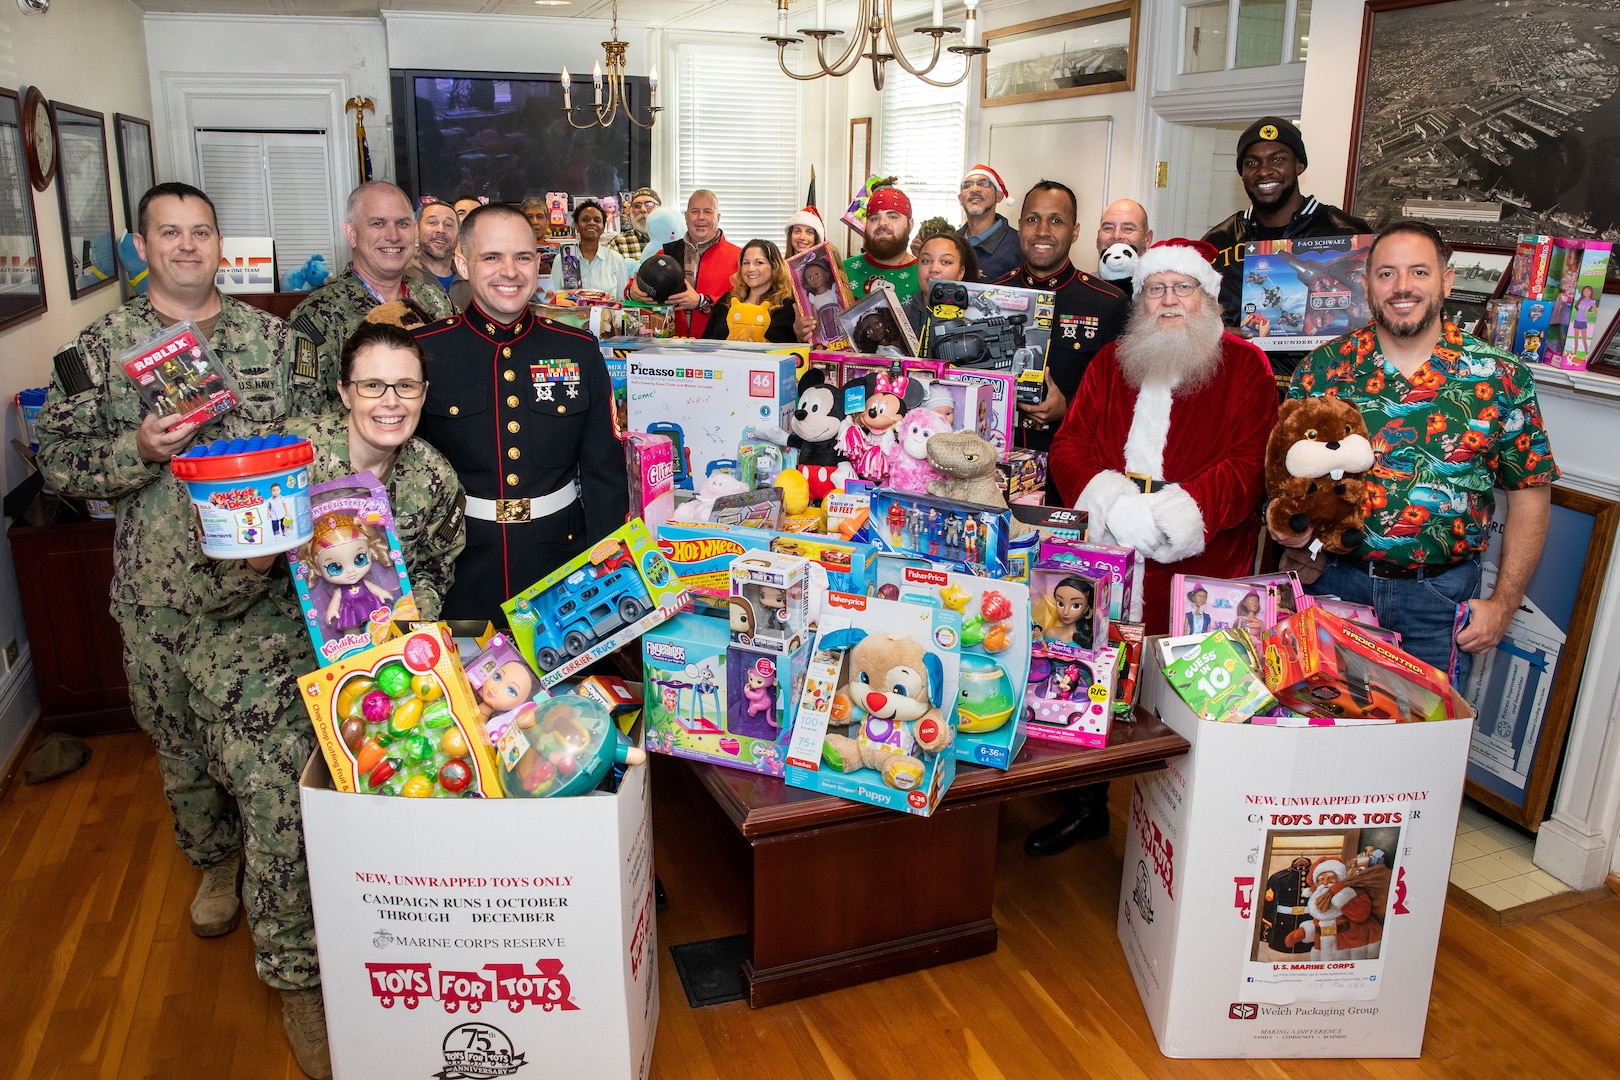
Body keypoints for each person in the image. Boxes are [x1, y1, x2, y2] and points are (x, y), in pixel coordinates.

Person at [33, 181, 329, 1075]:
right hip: (159, 597)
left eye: (202, 232)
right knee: (180, 746)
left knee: (275, 773)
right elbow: (56, 459)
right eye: (171, 233)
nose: (189, 246)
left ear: (219, 245)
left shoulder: (275, 343)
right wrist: (140, 450)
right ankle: (212, 860)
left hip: (261, 602)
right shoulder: (98, 350)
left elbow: (324, 433)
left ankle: (296, 972)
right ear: (142, 244)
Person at [1031, 238, 1277, 856]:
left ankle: (1183, 831)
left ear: (1207, 296)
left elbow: (1251, 465)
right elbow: (1069, 446)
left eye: (1182, 287)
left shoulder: (1246, 366)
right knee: (1095, 676)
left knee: (1187, 694)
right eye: (1156, 289)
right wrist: (1114, 503)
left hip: (1200, 560)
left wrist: (1175, 515)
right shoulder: (1112, 361)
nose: (1169, 300)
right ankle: (1087, 805)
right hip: (1109, 551)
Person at [1279, 219, 1557, 685]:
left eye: (1419, 272)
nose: (1402, 287)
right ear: (1366, 286)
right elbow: (1287, 480)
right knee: (1325, 742)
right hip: (1334, 589)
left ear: (1446, 281)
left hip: (1441, 602)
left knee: (1427, 749)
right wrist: (1294, 539)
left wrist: (1505, 604)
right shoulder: (1322, 371)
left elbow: (1531, 492)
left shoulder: (1498, 375)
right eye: (1386, 273)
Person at [413, 203, 629, 620]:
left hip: (563, 568)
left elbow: (605, 474)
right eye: (491, 257)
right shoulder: (426, 352)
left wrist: (607, 571)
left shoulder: (577, 350)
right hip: (459, 569)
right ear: (462, 262)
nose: (509, 271)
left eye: (523, 257)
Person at [1202, 117, 1372, 380]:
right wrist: (1218, 333)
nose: (1264, 171)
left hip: (1321, 388)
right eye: (1252, 162)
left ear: (1299, 165)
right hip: (1239, 384)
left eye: (1278, 159)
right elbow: (1190, 315)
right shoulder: (1218, 241)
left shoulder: (1348, 234)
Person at [994, 180, 1130, 455]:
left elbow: (1123, 397)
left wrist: (1068, 406)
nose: (1042, 231)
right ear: (1020, 225)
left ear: (1075, 231)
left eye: (1056, 220)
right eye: (1033, 219)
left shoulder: (1108, 303)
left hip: (1070, 460)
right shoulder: (990, 297)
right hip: (995, 458)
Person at [288, 181, 454, 405]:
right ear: (351, 233)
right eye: (378, 223)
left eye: (403, 223)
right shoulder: (316, 316)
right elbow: (306, 413)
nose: (393, 235)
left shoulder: (437, 302)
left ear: (414, 232)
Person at [627, 189, 741, 338]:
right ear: (686, 217)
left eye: (707, 212)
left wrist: (702, 302)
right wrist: (632, 292)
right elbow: (634, 284)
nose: (701, 218)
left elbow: (744, 302)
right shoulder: (666, 253)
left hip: (719, 348)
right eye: (695, 211)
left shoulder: (738, 257)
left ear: (718, 217)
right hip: (670, 348)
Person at [703, 239, 799, 343]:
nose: (750, 268)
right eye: (746, 263)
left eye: (759, 262)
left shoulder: (787, 307)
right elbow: (707, 341)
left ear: (774, 267)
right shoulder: (727, 301)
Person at [843, 182, 919, 302]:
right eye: (874, 218)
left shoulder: (926, 275)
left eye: (893, 216)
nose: (882, 223)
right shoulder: (842, 272)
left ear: (910, 225)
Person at [904, 229, 978, 334]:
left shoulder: (976, 320)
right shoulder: (899, 319)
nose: (934, 269)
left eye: (945, 262)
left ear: (960, 273)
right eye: (926, 261)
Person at [958, 164, 1021, 283]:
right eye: (967, 185)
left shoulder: (1019, 246)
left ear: (998, 196)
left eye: (983, 184)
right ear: (960, 199)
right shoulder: (951, 243)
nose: (975, 189)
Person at [405, 197, 467, 308]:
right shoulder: (401, 275)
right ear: (416, 231)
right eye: (432, 222)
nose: (441, 230)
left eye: (448, 224)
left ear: (459, 236)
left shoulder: (471, 278)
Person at [563, 200, 630, 295]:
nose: (591, 223)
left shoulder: (616, 259)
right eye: (585, 219)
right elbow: (555, 299)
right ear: (576, 225)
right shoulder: (562, 260)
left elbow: (622, 300)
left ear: (603, 227)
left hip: (608, 310)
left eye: (597, 220)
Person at [1095, 198, 1153, 297]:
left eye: (1128, 229)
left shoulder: (1159, 291)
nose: (1116, 236)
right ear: (1097, 239)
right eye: (1108, 228)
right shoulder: (1083, 289)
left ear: (1147, 239)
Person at [608, 186, 660, 260]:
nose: (643, 210)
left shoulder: (674, 240)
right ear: (631, 211)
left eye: (649, 204)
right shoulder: (618, 244)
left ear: (660, 208)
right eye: (637, 206)